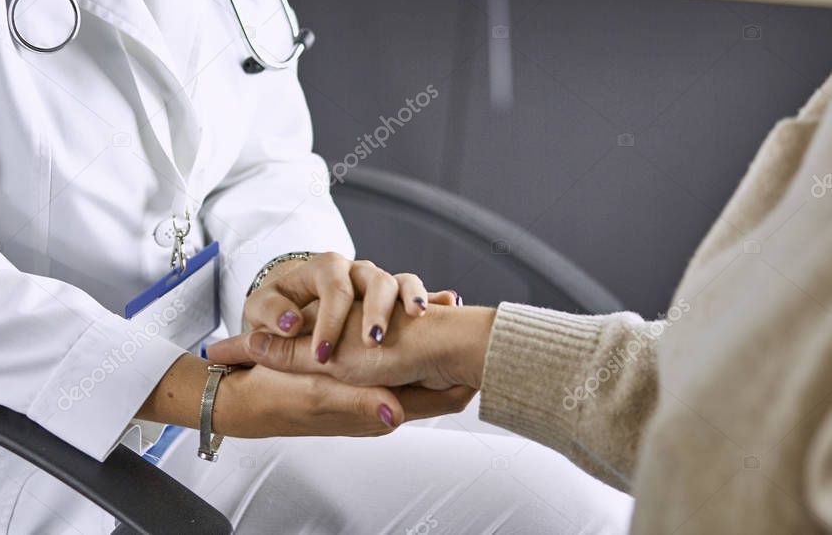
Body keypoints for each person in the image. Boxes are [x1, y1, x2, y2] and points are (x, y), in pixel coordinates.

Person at [0, 0, 631, 532]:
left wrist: (297, 288)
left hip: (221, 386)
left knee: (608, 502)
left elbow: (259, 155)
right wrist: (205, 398)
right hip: (5, 458)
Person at [210, 75, 832, 534]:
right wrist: (451, 339)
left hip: (246, 373)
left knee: (588, 514)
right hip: (149, 426)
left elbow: (749, 433)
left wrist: (452, 340)